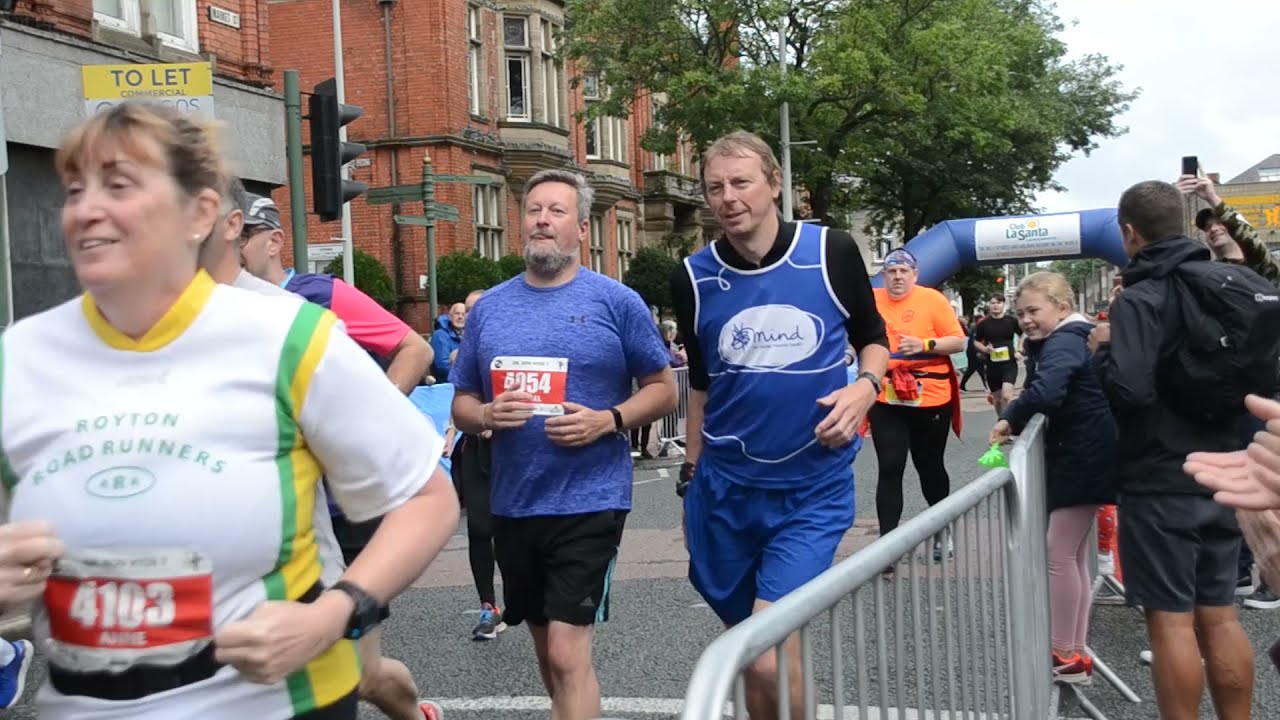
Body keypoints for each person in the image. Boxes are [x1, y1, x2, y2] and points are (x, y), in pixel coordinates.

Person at [0, 101, 459, 719]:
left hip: (274, 702)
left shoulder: (288, 336)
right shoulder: (19, 358)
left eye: (119, 186)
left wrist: (334, 613)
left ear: (200, 213)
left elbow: (426, 499)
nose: (86, 209)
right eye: (75, 190)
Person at [670, 130, 889, 720]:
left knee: (764, 653)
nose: (728, 197)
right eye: (715, 187)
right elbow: (700, 385)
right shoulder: (692, 277)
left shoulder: (830, 251)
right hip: (723, 492)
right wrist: (690, 474)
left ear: (774, 184)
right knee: (755, 656)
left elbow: (874, 339)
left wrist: (864, 388)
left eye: (741, 182)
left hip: (810, 490)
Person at [449, 169, 677, 720]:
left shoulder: (616, 301)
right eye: (534, 210)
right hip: (515, 500)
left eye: (556, 211)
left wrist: (608, 420)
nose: (543, 221)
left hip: (591, 499)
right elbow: (462, 401)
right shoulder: (490, 308)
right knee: (545, 650)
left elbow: (664, 389)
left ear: (580, 226)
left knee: (565, 652)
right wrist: (486, 415)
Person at [239, 193, 439, 720]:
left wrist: (361, 427)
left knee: (361, 674)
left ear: (274, 241)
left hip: (342, 510)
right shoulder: (214, 313)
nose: (232, 248)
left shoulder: (317, 296)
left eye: (243, 236)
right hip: (270, 519)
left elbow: (415, 349)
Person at [1091, 180, 1253, 720]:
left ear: (1129, 233)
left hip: (1160, 477)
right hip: (1227, 470)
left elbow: (1130, 391)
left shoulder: (1140, 299)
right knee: (1221, 615)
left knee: (1170, 621)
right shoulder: (1228, 284)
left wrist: (1103, 355)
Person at [989, 272, 1116, 684]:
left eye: (1033, 310)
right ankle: (1072, 650)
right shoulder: (1070, 337)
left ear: (1062, 308)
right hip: (1087, 452)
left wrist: (1009, 417)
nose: (1025, 319)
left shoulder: (1063, 342)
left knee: (1058, 553)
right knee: (1071, 554)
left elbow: (1046, 392)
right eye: (1020, 312)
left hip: (1082, 454)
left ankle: (1064, 652)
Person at [869, 248, 967, 562]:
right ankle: (887, 546)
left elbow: (958, 341)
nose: (897, 277)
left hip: (930, 394)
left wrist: (924, 344)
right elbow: (854, 336)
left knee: (930, 467)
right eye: (892, 271)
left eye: (904, 271)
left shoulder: (932, 300)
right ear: (884, 275)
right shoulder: (872, 300)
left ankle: (942, 532)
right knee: (890, 466)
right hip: (887, 395)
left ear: (915, 275)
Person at [971, 294, 1020, 414]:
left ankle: (1009, 420)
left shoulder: (1012, 320)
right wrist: (984, 349)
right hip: (992, 365)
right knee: (997, 399)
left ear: (1003, 304)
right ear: (989, 305)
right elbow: (976, 341)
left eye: (998, 303)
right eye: (993, 303)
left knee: (1007, 395)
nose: (995, 305)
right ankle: (1001, 419)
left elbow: (1023, 334)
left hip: (1009, 363)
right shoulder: (984, 323)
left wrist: (1020, 350)